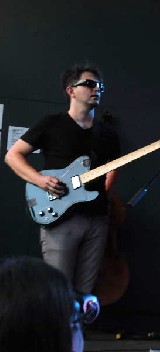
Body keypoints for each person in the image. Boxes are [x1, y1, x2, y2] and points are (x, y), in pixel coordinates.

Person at [4, 64, 120, 294]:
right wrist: (39, 180)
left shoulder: (106, 134)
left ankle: (78, 330)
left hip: (97, 219)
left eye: (100, 86)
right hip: (60, 218)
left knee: (85, 294)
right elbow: (12, 155)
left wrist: (102, 193)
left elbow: (113, 168)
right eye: (89, 84)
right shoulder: (51, 124)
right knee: (59, 290)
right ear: (71, 90)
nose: (96, 89)